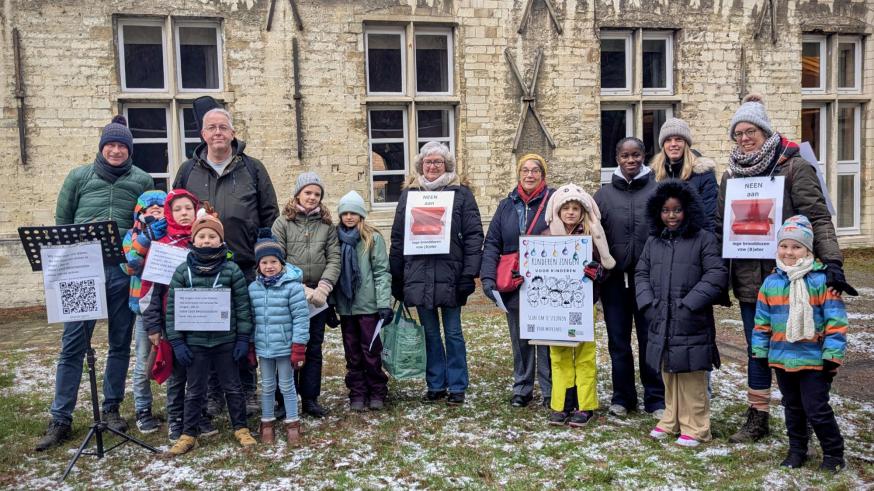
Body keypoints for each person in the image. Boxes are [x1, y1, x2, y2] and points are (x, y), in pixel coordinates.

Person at [715, 94, 856, 443]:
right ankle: (757, 416)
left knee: (802, 344)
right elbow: (721, 228)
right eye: (739, 133)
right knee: (757, 349)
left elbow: (819, 217)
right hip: (751, 280)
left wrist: (833, 262)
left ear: (765, 131)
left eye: (751, 132)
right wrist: (718, 274)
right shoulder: (731, 176)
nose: (745, 139)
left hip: (797, 277)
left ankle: (808, 412)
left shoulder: (794, 166)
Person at [36, 116, 154, 452]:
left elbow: (146, 220)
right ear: (102, 147)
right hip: (81, 271)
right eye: (111, 145)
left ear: (129, 150)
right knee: (73, 344)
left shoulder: (142, 180)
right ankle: (61, 417)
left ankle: (112, 407)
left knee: (119, 342)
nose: (116, 150)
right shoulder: (78, 177)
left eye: (122, 146)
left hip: (121, 271)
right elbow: (62, 221)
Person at [173, 107, 279, 415]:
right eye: (211, 128)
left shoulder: (253, 168)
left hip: (244, 265)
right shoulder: (187, 170)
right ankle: (212, 393)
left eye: (223, 127)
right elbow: (178, 212)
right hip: (202, 266)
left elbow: (269, 215)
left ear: (232, 133)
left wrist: (263, 256)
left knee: (243, 328)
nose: (218, 132)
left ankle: (246, 389)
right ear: (202, 134)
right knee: (207, 331)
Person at [390, 141, 484, 406]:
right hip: (418, 274)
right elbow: (398, 237)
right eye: (428, 162)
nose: (432, 166)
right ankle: (435, 383)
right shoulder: (409, 195)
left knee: (453, 332)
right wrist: (397, 276)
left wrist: (469, 274)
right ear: (421, 165)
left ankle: (457, 385)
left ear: (447, 165)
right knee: (430, 333)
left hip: (450, 275)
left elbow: (474, 236)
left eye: (438, 162)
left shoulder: (461, 194)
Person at [751, 215, 848, 473]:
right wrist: (760, 350)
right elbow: (761, 321)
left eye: (796, 247)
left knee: (816, 408)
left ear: (808, 250)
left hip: (814, 359)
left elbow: (836, 321)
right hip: (782, 357)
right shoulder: (771, 283)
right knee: (792, 407)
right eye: (784, 246)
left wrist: (832, 355)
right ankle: (797, 450)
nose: (789, 252)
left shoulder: (821, 281)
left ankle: (834, 453)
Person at [636, 179, 727, 447]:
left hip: (691, 318)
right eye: (666, 210)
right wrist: (648, 302)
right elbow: (641, 272)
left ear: (687, 210)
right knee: (669, 372)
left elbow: (716, 274)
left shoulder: (703, 238)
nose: (671, 216)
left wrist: (690, 303)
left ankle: (696, 426)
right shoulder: (654, 241)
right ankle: (671, 419)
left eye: (676, 210)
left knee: (691, 375)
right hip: (661, 317)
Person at [165, 211, 257, 456]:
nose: (207, 240)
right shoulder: (182, 272)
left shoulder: (232, 270)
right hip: (194, 343)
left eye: (212, 236)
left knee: (233, 387)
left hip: (226, 342)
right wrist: (177, 342)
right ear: (194, 241)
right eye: (202, 236)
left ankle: (241, 428)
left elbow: (243, 307)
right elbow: (172, 310)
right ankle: (188, 433)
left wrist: (242, 338)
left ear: (221, 241)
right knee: (194, 390)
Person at [594, 137, 666, 418]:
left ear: (644, 156)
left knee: (650, 340)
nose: (631, 161)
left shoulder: (658, 191)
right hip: (614, 282)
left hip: (649, 281)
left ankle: (656, 398)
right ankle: (622, 397)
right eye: (625, 156)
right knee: (618, 342)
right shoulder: (603, 195)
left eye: (636, 155)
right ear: (617, 157)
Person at [140, 189, 216, 442]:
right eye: (178, 209)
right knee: (177, 376)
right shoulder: (162, 248)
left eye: (188, 208)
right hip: (171, 323)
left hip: (202, 322)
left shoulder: (206, 243)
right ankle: (176, 419)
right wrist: (153, 327)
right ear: (169, 214)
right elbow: (150, 290)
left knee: (200, 372)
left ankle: (199, 415)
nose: (184, 214)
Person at [480, 154, 554, 408]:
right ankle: (522, 387)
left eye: (535, 170)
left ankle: (549, 389)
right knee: (520, 337)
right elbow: (491, 244)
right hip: (515, 280)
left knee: (545, 337)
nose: (530, 175)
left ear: (543, 175)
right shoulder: (506, 205)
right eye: (525, 170)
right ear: (519, 174)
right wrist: (488, 278)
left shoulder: (554, 201)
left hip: (546, 280)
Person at [541, 184, 615, 427]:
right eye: (566, 208)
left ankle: (585, 405)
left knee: (584, 354)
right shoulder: (547, 236)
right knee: (559, 355)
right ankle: (562, 403)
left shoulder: (592, 237)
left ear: (583, 211)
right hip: (555, 307)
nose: (571, 212)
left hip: (584, 304)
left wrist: (598, 272)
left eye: (575, 208)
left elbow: (603, 269)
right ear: (558, 211)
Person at [271, 172, 341, 418]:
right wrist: (298, 286)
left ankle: (310, 397)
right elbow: (277, 259)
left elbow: (334, 258)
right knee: (287, 345)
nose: (312, 197)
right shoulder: (283, 223)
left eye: (317, 194)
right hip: (290, 291)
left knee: (313, 347)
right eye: (308, 192)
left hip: (319, 297)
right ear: (298, 194)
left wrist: (324, 287)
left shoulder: (326, 226)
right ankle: (282, 399)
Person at [333, 191, 393, 411]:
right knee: (352, 353)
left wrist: (383, 303)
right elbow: (331, 270)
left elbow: (381, 272)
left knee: (370, 350)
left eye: (353, 213)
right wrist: (331, 303)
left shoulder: (372, 238)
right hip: (346, 306)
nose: (349, 217)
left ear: (361, 215)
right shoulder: (335, 238)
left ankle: (377, 390)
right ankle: (357, 392)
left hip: (368, 305)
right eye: (345, 213)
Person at [248, 232, 309, 446]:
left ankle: (292, 422)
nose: (269, 266)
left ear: (281, 263)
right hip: (264, 347)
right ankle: (267, 422)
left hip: (285, 346)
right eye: (264, 262)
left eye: (273, 261)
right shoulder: (253, 288)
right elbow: (251, 318)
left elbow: (301, 317)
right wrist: (251, 344)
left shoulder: (292, 287)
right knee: (266, 386)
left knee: (286, 385)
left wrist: (299, 345)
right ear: (258, 265)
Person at [120, 190, 167, 434]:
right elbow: (130, 265)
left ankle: (174, 405)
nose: (157, 212)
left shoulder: (170, 233)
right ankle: (143, 409)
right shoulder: (133, 235)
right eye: (151, 209)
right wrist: (147, 237)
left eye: (161, 208)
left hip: (169, 305)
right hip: (144, 306)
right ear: (140, 214)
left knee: (174, 358)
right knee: (143, 360)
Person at [649, 118, 719, 232]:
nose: (673, 144)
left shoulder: (703, 174)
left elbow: (709, 217)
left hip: (694, 242)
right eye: (668, 140)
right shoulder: (655, 174)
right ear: (663, 145)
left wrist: (708, 247)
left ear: (686, 143)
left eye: (678, 139)